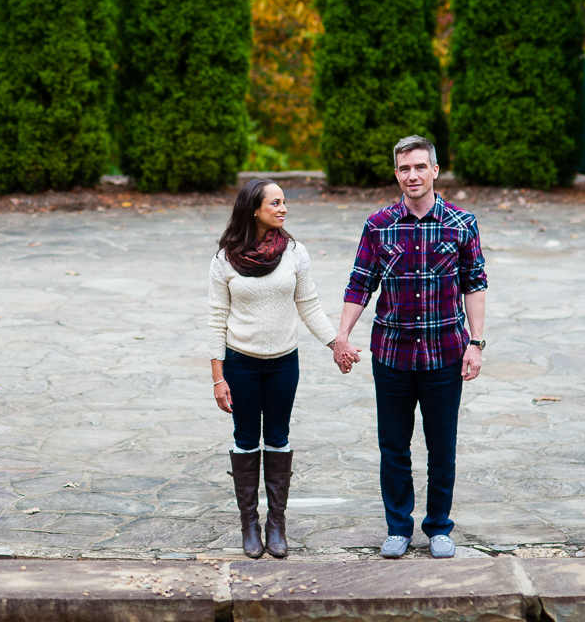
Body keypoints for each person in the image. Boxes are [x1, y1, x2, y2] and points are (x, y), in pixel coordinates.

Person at [332, 135, 487, 560]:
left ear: (435, 170)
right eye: (404, 169)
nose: (412, 175)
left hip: (445, 354)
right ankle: (398, 527)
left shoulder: (461, 224)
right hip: (393, 355)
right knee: (393, 446)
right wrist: (342, 335)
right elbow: (360, 283)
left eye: (420, 167)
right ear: (396, 173)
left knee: (442, 447)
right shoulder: (379, 225)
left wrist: (476, 343)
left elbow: (474, 284)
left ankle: (438, 526)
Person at [209, 178, 345, 559]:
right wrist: (218, 377)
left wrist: (336, 343)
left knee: (279, 438)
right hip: (241, 364)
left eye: (284, 202)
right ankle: (249, 524)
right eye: (275, 202)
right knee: (246, 438)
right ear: (254, 208)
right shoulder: (224, 259)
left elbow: (310, 305)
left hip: (284, 363)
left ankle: (276, 524)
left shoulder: (295, 253)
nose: (283, 208)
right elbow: (216, 320)